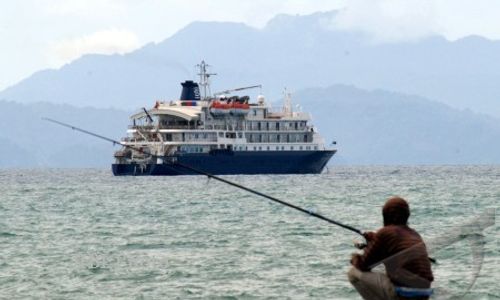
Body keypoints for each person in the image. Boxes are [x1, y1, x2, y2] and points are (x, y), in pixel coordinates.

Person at [348, 196, 434, 300]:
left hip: (404, 295)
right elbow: (394, 248)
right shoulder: (415, 235)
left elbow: (364, 265)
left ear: (386, 215)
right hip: (424, 295)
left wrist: (354, 258)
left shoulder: (385, 233)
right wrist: (375, 239)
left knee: (353, 273)